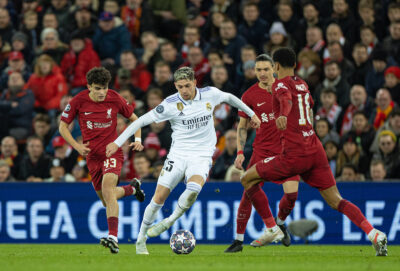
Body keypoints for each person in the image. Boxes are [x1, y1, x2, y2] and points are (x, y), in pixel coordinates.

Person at [240, 47, 387, 256]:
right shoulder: (303, 83)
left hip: (294, 154)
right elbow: (304, 107)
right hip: (315, 149)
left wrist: (283, 113)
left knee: (247, 178)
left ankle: (272, 228)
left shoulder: (280, 84)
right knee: (337, 200)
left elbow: (285, 99)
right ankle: (373, 234)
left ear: (277, 66)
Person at [106, 66, 261, 255]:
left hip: (202, 156)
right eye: (180, 87)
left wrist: (252, 114)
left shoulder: (210, 94)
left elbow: (230, 98)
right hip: (177, 156)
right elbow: (139, 121)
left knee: (194, 188)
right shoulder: (170, 104)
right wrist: (117, 142)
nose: (184, 91)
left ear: (195, 82)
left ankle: (169, 221)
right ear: (175, 86)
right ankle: (140, 240)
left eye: (187, 86)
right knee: (158, 198)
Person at [58, 67, 145, 254]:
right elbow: (63, 126)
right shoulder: (78, 101)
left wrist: (137, 140)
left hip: (112, 152)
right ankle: (131, 189)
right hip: (92, 157)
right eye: (97, 88)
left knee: (107, 190)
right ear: (89, 87)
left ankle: (113, 237)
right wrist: (77, 146)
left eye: (104, 88)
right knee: (107, 200)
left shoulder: (114, 98)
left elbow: (135, 119)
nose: (102, 92)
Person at [225, 54, 299, 253]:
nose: (262, 73)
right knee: (248, 191)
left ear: (274, 69)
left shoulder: (286, 89)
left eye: (266, 69)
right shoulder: (249, 96)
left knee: (292, 195)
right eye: (258, 70)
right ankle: (239, 241)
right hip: (262, 150)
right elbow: (242, 127)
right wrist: (240, 152)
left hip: (287, 151)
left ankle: (279, 223)